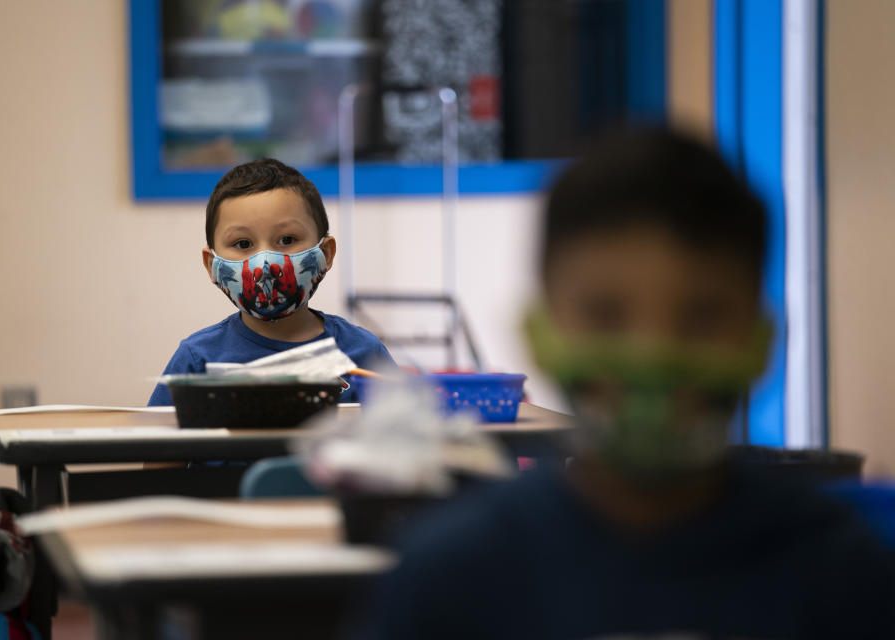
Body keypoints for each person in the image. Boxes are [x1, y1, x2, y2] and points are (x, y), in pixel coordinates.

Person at [351, 128, 895, 639]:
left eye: (702, 317)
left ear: (761, 342)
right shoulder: (450, 577)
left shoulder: (840, 572)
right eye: (606, 315)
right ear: (539, 333)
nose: (652, 357)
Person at [148, 159, 394, 405]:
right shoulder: (198, 360)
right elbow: (155, 441)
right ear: (212, 264)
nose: (264, 264)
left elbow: (410, 432)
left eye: (287, 239)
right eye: (243, 244)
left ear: (326, 253)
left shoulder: (363, 352)